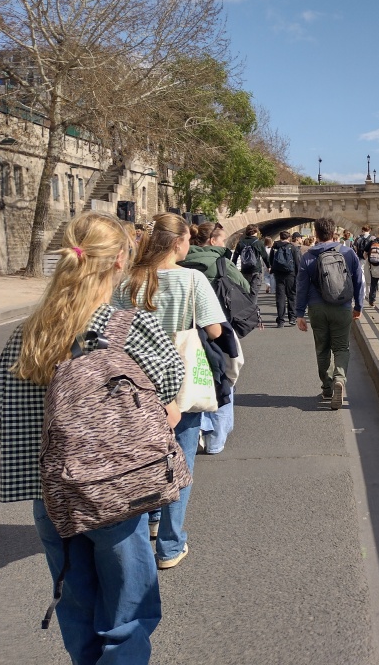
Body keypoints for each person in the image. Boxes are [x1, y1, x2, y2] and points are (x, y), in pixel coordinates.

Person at [0, 212, 184, 662]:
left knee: (76, 607)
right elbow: (170, 401)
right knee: (127, 613)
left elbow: (0, 419)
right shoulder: (133, 329)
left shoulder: (27, 334)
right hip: (115, 492)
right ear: (120, 260)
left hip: (51, 495)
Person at [115, 212, 227, 570]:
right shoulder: (192, 279)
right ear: (179, 242)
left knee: (144, 454)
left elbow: (113, 330)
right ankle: (169, 544)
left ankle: (148, 518)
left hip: (135, 382)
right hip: (179, 381)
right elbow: (213, 330)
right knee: (181, 459)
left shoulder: (128, 281)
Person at [183, 223, 249, 455]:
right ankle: (215, 439)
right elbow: (244, 286)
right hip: (217, 327)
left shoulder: (181, 261)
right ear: (212, 241)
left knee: (193, 377)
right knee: (223, 379)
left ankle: (198, 429)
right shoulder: (220, 262)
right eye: (221, 240)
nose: (223, 244)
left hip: (185, 331)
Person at [295, 216, 365, 409]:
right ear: (334, 233)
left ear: (316, 233)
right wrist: (358, 306)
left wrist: (299, 313)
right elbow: (359, 282)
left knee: (322, 348)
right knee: (342, 347)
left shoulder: (307, 256)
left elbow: (301, 286)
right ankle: (339, 380)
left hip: (317, 308)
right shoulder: (348, 253)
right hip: (342, 307)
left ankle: (327, 387)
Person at [232, 224, 270, 303]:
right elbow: (265, 256)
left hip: (244, 270)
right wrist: (269, 266)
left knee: (246, 290)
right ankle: (253, 310)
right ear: (256, 232)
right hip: (256, 270)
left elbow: (235, 257)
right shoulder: (258, 243)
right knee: (254, 292)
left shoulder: (241, 243)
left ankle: (246, 308)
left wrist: (233, 267)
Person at [270, 230, 298, 327]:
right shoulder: (292, 247)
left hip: (278, 275)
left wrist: (273, 270)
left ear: (280, 237)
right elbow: (297, 261)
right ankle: (292, 318)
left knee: (280, 297)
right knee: (291, 296)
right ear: (289, 237)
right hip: (291, 274)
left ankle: (281, 320)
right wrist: (298, 274)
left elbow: (271, 260)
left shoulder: (275, 247)